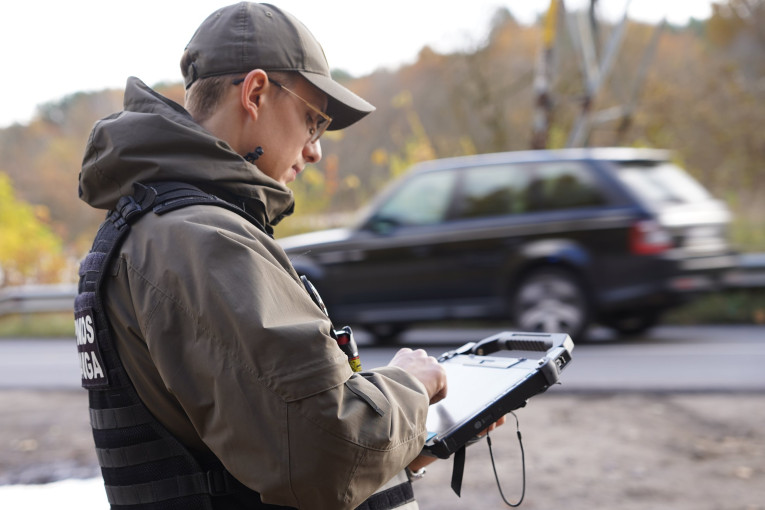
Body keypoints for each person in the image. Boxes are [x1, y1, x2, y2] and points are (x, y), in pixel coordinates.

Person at [75, 3, 448, 510]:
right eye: (313, 121)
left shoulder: (158, 226)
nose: (315, 151)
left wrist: (415, 442)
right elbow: (329, 452)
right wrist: (413, 388)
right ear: (255, 93)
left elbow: (250, 448)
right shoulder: (202, 239)